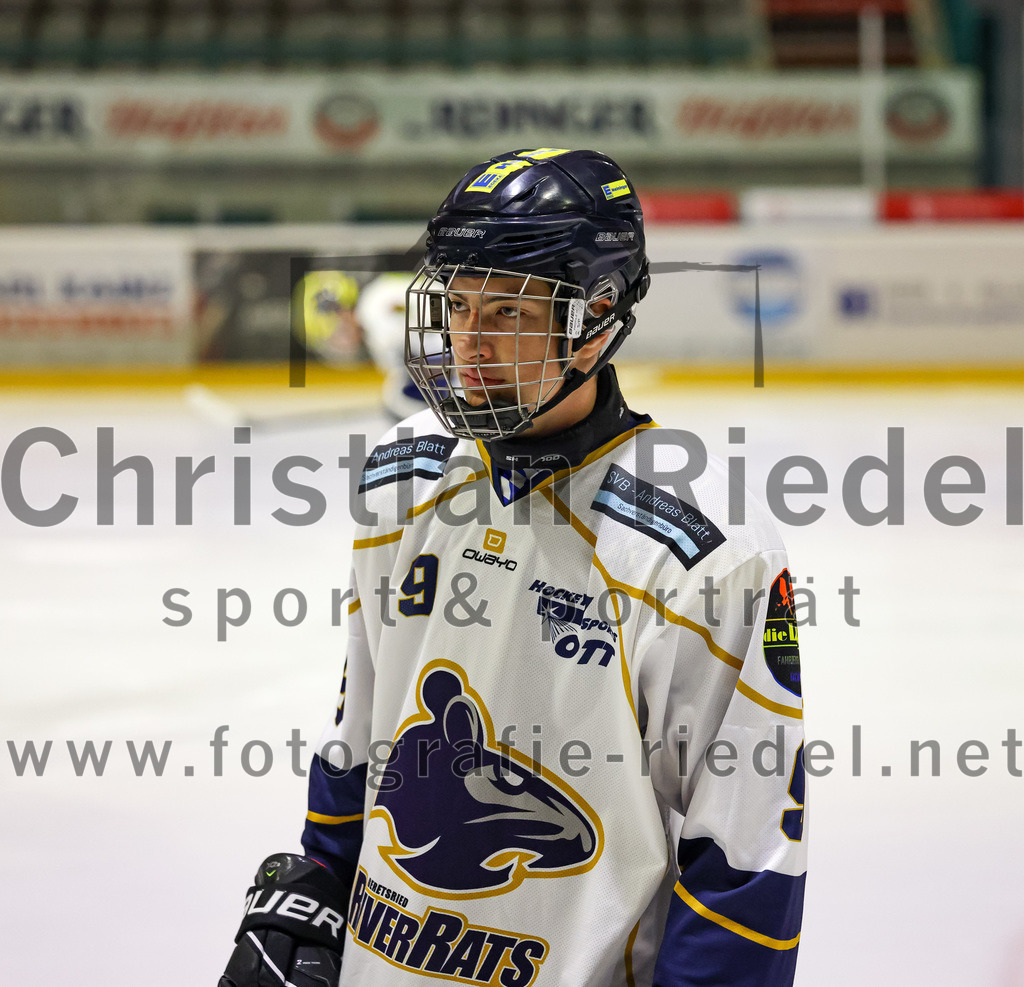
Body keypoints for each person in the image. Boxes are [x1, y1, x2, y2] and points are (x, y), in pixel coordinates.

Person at [220, 148, 807, 987]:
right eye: (457, 305)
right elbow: (361, 735)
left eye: (507, 312)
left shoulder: (700, 548)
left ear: (598, 316)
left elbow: (746, 855)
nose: (469, 342)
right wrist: (317, 889)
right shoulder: (403, 470)